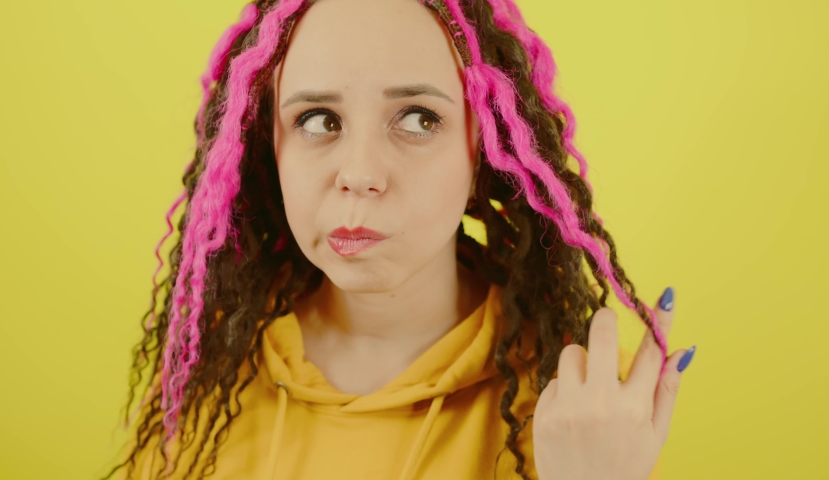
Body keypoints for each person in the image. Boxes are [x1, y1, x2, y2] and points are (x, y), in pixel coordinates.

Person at [104, 0, 696, 478]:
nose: (359, 173)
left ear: (483, 155)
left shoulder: (583, 404)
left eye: (418, 118)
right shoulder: (201, 378)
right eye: (317, 120)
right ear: (269, 151)